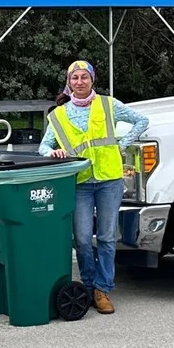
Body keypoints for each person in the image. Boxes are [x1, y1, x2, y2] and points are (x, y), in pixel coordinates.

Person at [39, 59, 149, 314]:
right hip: (80, 183)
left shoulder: (108, 104)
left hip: (109, 180)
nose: (80, 82)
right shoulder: (58, 115)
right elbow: (43, 146)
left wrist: (122, 145)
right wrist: (53, 152)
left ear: (92, 80)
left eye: (84, 77)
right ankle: (88, 285)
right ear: (69, 83)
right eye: (75, 78)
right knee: (82, 238)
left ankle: (103, 289)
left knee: (108, 237)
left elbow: (142, 121)